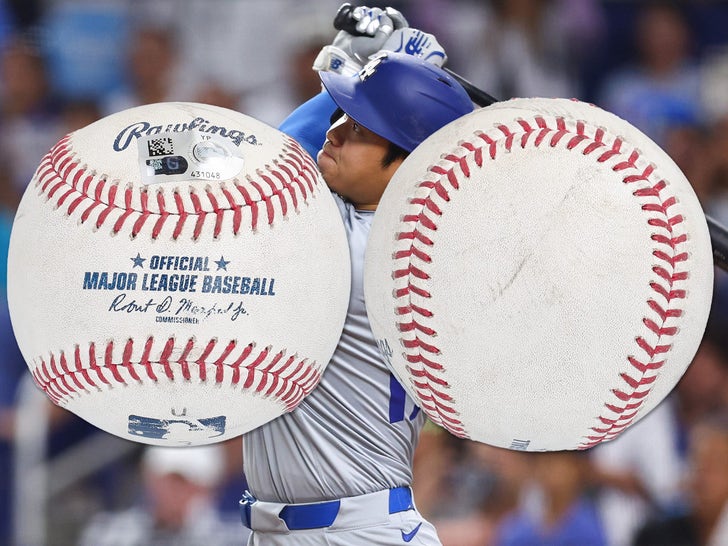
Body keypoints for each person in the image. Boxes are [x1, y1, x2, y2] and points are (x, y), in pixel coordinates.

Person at [238, 6, 475, 545]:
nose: (336, 130)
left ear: (407, 162)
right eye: (341, 114)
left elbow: (269, 166)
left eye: (361, 126)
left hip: (360, 533)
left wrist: (386, 62)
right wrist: (384, 77)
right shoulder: (386, 229)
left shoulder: (371, 250)